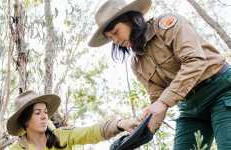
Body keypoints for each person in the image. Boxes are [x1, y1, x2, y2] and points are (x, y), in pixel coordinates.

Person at [88, 0, 231, 149]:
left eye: (116, 32)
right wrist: (142, 130)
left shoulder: (167, 25)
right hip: (190, 108)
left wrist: (162, 102)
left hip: (222, 90)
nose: (116, 41)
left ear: (130, 19)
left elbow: (195, 61)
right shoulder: (136, 63)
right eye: (111, 38)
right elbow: (158, 98)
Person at [7, 90, 140, 150]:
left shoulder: (62, 136)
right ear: (25, 121)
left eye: (46, 112)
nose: (44, 116)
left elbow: (91, 132)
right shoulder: (16, 149)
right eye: (37, 113)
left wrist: (120, 124)